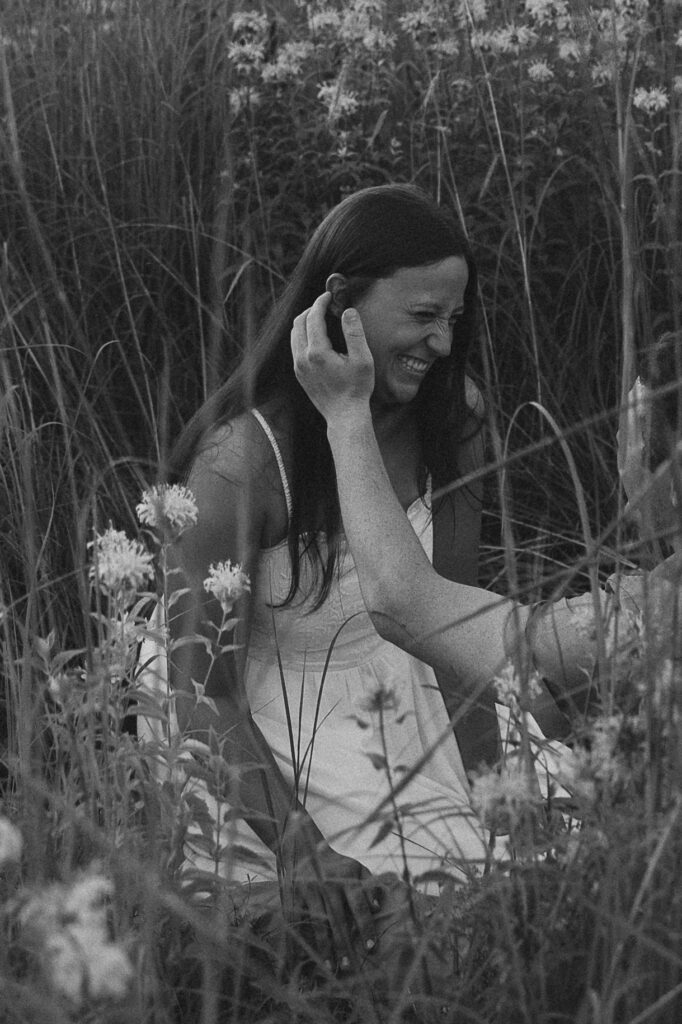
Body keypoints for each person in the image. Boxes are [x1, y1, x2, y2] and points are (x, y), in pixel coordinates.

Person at [140, 184, 517, 963]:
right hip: (259, 721)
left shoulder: (456, 418)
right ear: (339, 303)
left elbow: (451, 630)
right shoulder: (240, 466)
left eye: (454, 319)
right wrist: (301, 846)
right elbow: (194, 689)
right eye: (421, 317)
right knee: (411, 901)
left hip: (404, 687)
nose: (442, 345)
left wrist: (498, 791)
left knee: (532, 853)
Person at [291, 301, 681, 715]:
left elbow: (405, 603)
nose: (620, 444)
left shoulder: (657, 616)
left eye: (631, 427)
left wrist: (347, 414)